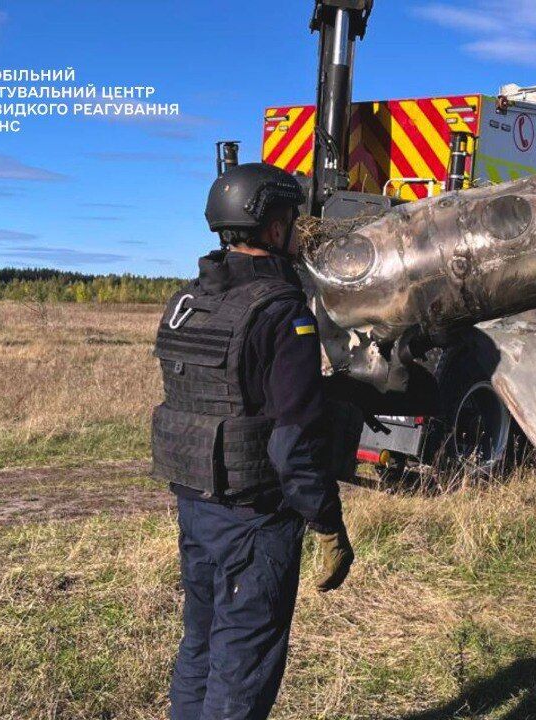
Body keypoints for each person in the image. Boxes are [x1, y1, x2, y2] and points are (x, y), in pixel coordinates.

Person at [151, 162, 354, 720]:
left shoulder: (190, 302)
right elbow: (293, 443)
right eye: (290, 218)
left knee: (203, 643)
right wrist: (328, 525)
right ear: (270, 228)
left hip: (197, 507)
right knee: (243, 665)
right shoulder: (280, 312)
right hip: (255, 519)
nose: (294, 229)